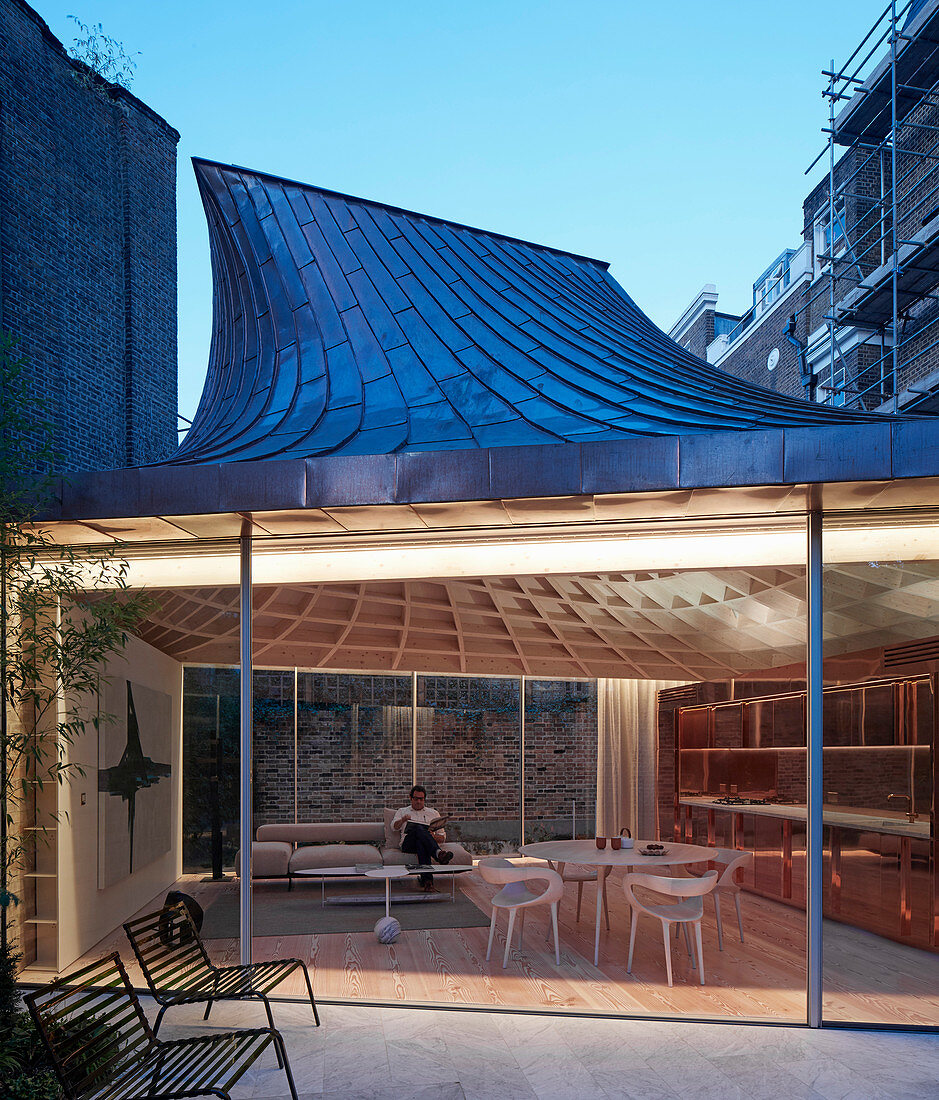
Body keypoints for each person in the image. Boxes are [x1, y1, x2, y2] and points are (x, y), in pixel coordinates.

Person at [391, 784, 453, 891]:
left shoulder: (433, 813)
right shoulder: (402, 811)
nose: (418, 801)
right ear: (411, 798)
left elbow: (442, 838)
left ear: (424, 799)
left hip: (423, 844)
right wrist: (403, 820)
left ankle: (428, 883)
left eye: (421, 799)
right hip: (408, 844)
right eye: (416, 799)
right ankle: (438, 854)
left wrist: (433, 836)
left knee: (422, 843)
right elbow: (393, 827)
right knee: (419, 828)